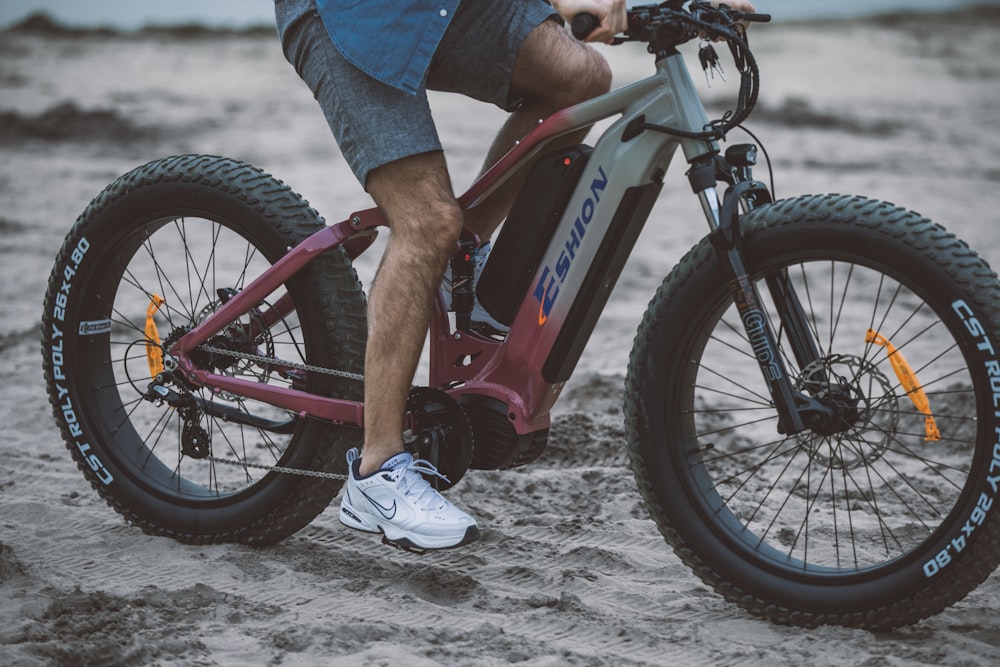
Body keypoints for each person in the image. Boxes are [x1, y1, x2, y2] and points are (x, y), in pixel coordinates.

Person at [274, 0, 753, 551]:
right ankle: (377, 471)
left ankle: (462, 263)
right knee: (426, 222)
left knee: (582, 78)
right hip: (352, 18)